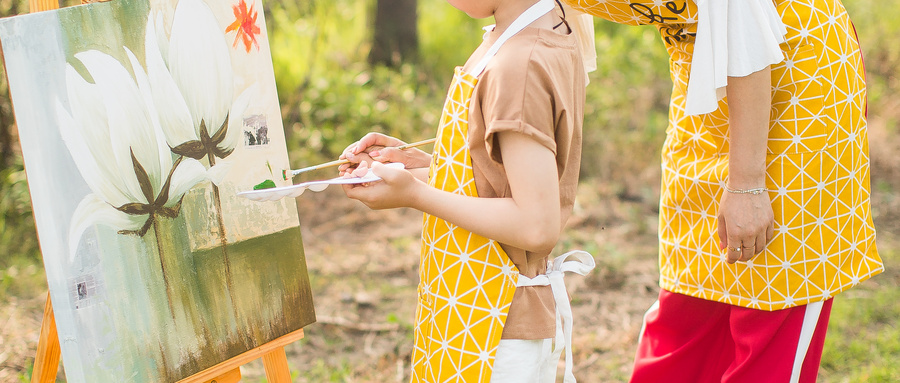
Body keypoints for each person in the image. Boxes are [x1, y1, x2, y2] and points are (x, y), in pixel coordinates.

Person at [557, 0, 884, 382]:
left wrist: (747, 184)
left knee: (768, 305)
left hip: (789, 79)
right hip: (700, 76)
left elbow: (742, 17)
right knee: (688, 301)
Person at [338, 0, 595, 381]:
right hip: (467, 314)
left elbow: (536, 224)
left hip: (492, 327)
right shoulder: (535, 30)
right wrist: (426, 166)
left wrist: (414, 195)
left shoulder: (517, 65)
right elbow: (497, 179)